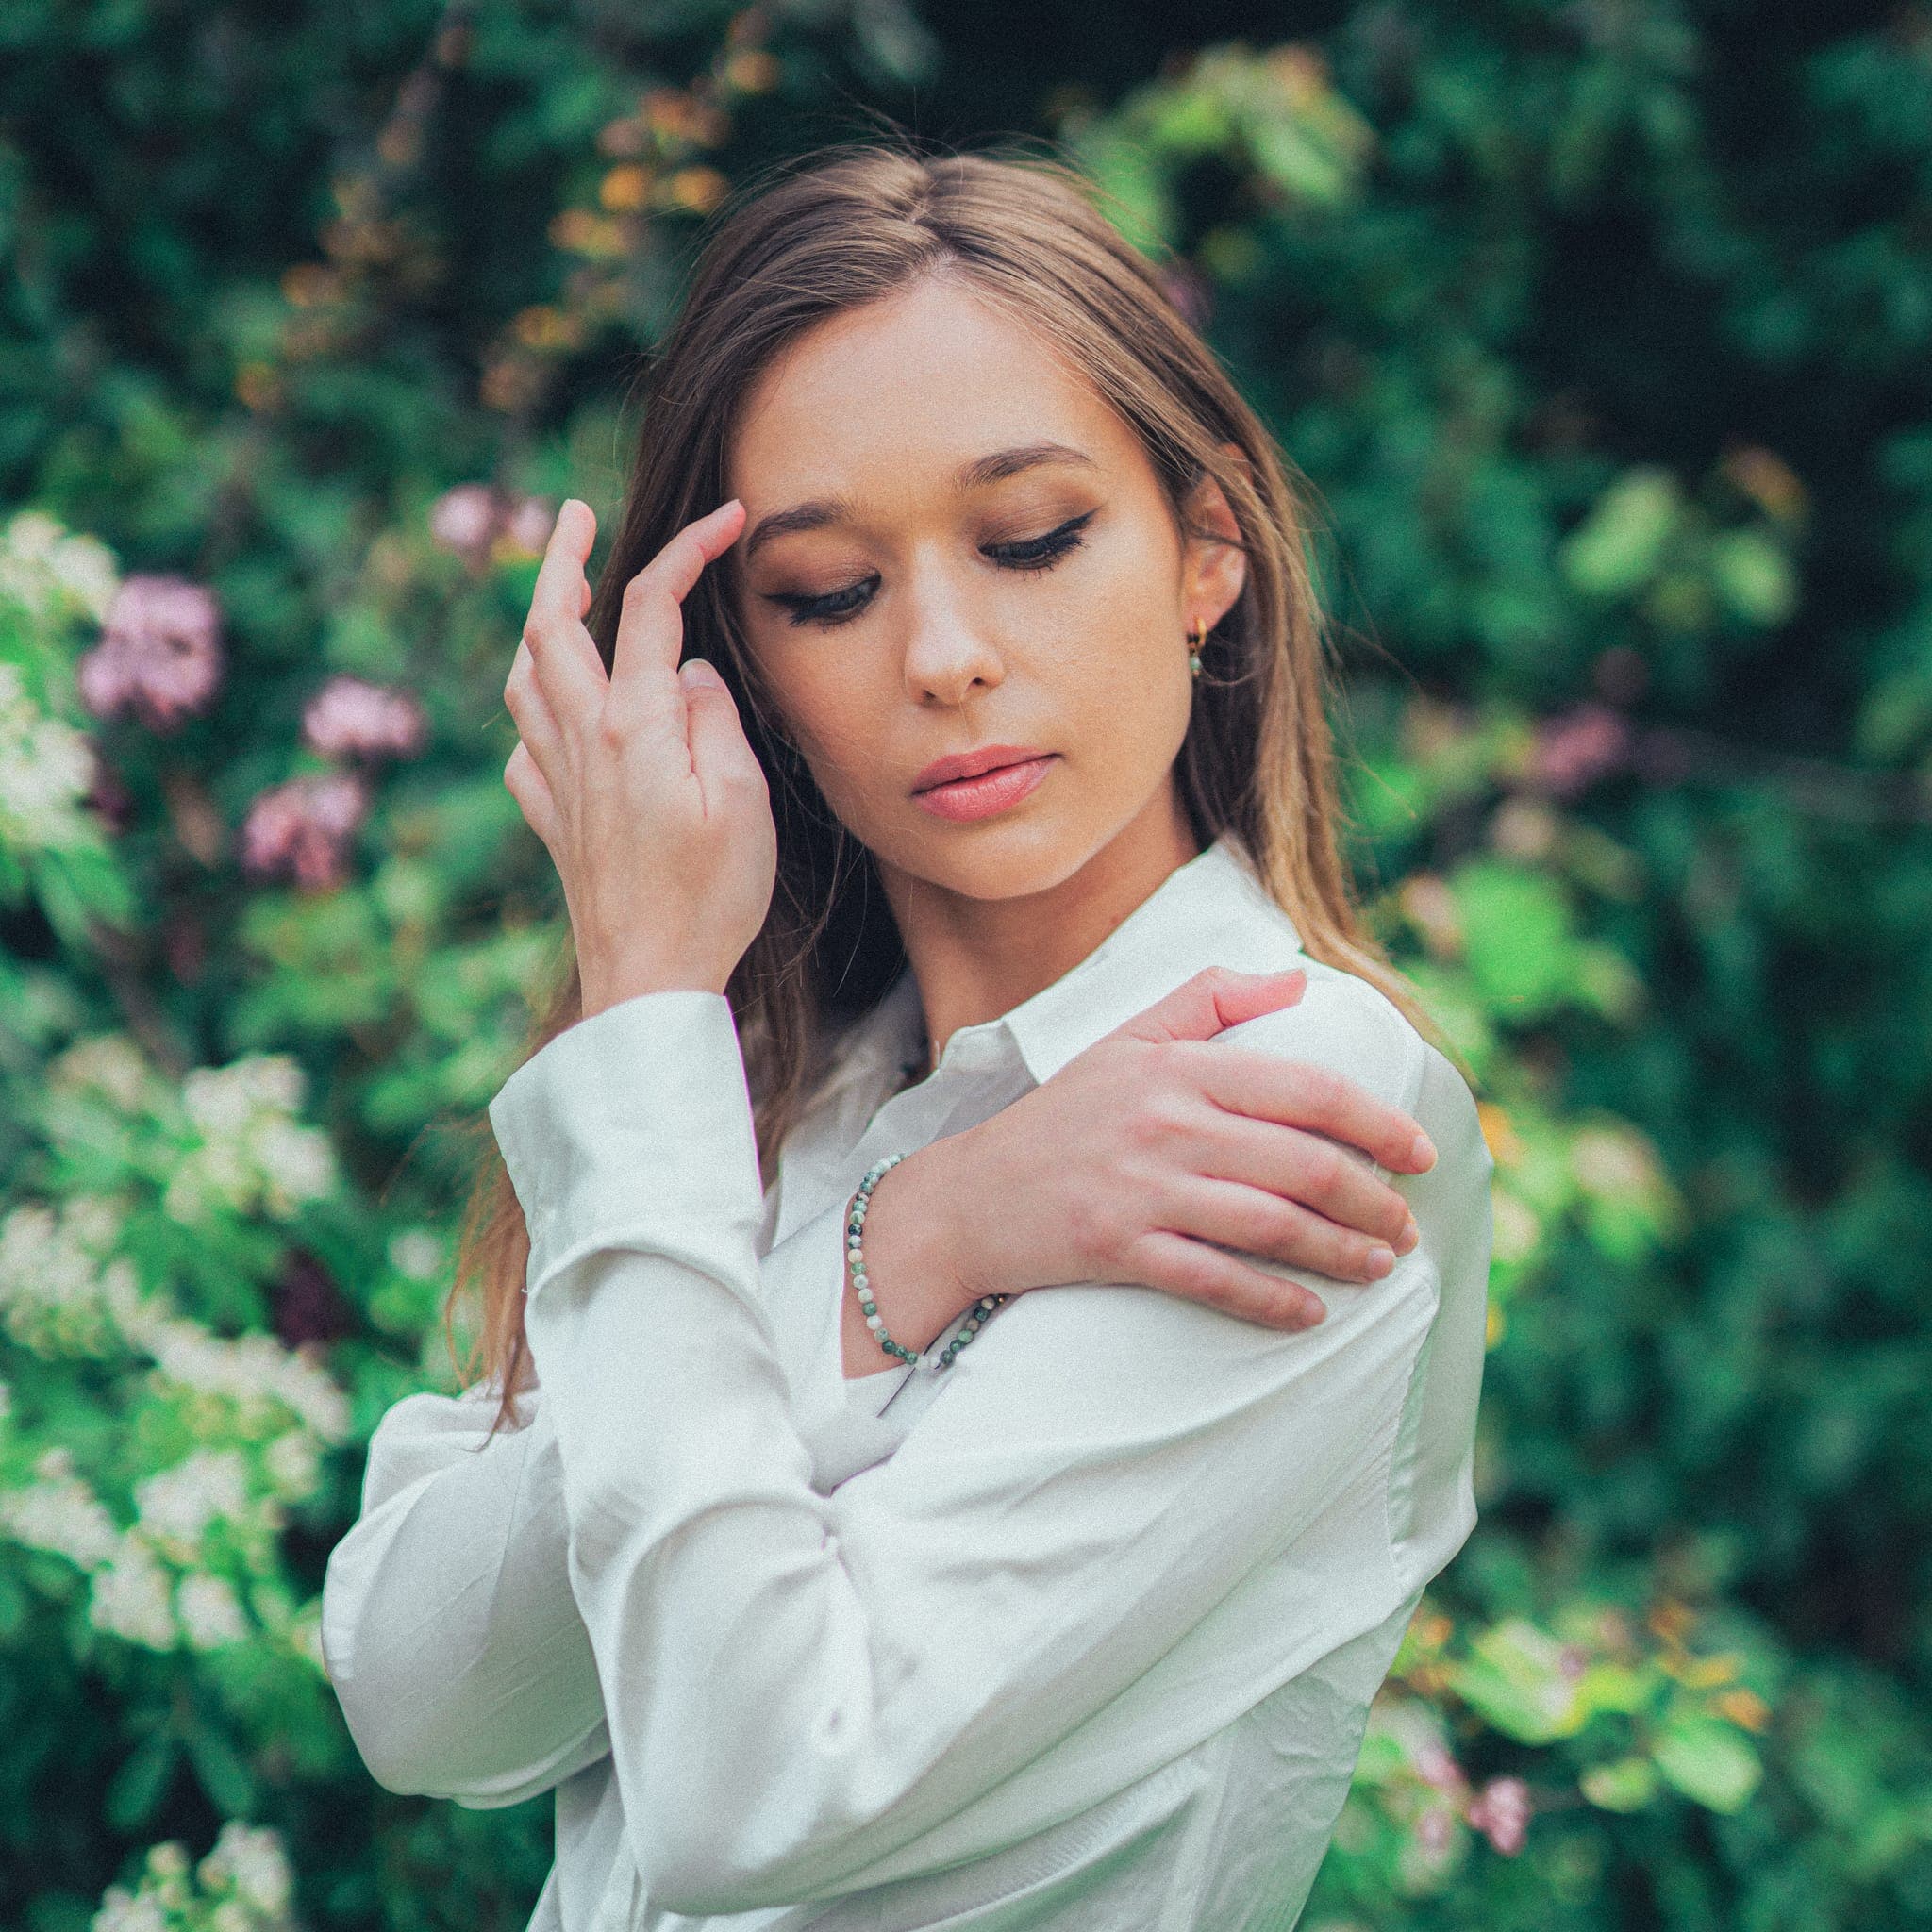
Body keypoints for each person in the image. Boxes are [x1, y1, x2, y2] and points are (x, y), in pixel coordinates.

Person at [321, 141, 1495, 1931]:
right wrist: (912, 1237)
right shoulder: (771, 1099)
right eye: (829, 591)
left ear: (1206, 554)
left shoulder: (1279, 1090)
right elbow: (422, 1695)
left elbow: (755, 1780)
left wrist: (706, 1136)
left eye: (1031, 539)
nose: (944, 652)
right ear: (739, 665)